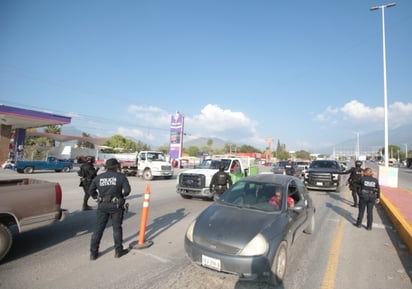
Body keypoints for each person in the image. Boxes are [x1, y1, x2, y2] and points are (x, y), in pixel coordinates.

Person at [88, 158, 131, 260]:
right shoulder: (120, 177)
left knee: (98, 229)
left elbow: (91, 190)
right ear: (116, 166)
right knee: (117, 228)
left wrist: (96, 197)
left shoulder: (99, 177)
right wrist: (122, 197)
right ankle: (118, 251)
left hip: (102, 205)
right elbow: (127, 191)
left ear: (107, 167)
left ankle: (93, 254)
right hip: (116, 206)